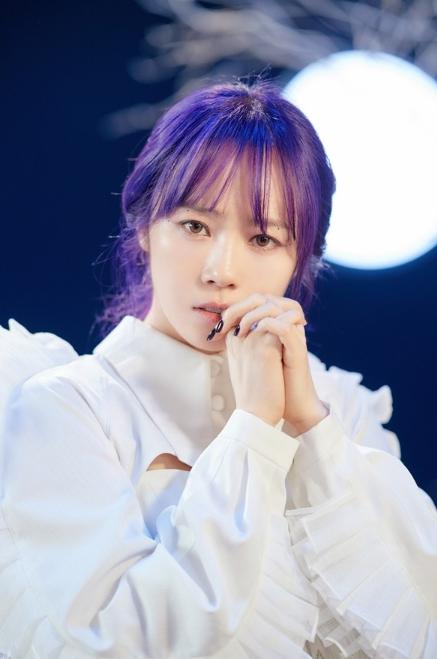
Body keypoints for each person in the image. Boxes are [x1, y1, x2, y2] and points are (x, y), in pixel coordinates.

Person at [0, 77, 436, 659]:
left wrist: (309, 428)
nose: (221, 270)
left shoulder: (341, 417)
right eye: (195, 226)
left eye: (263, 238)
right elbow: (116, 644)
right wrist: (252, 430)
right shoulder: (64, 407)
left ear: (300, 260)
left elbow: (415, 626)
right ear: (144, 227)